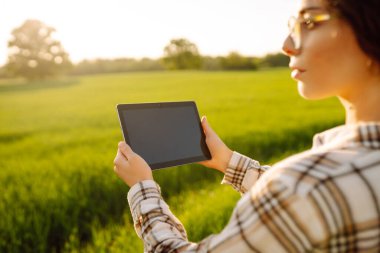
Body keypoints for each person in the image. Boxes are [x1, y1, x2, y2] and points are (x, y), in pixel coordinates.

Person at [113, 0, 380, 251]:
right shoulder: (342, 174)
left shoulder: (306, 186)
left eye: (310, 22)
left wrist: (142, 188)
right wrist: (227, 160)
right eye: (292, 26)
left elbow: (302, 195)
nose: (287, 44)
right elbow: (306, 206)